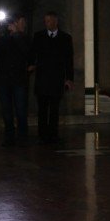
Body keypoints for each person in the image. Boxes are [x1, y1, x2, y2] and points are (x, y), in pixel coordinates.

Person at [29, 12, 73, 144]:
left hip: (57, 79)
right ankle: (42, 135)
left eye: (49, 20)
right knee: (42, 109)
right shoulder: (39, 36)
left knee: (54, 109)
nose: (47, 23)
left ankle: (53, 135)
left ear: (55, 21)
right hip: (42, 79)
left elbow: (69, 60)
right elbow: (33, 54)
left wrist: (69, 78)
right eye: (45, 21)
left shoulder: (65, 38)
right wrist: (31, 65)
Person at [0, 14, 30, 146]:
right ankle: (9, 136)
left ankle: (23, 137)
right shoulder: (3, 38)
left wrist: (16, 34)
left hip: (18, 79)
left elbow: (26, 51)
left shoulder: (24, 37)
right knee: (6, 110)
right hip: (3, 79)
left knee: (20, 109)